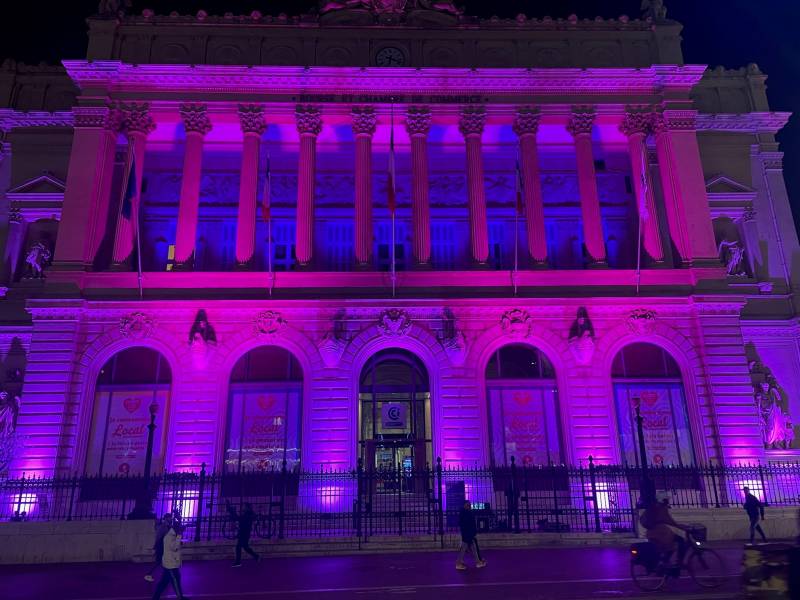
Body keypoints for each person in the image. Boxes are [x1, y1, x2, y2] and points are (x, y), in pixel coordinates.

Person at [639, 492, 689, 567]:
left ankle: (665, 562)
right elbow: (669, 520)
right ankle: (676, 562)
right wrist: (681, 527)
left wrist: (679, 526)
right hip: (659, 533)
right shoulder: (661, 508)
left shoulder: (654, 507)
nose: (668, 501)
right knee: (680, 541)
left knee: (671, 545)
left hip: (655, 532)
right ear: (663, 500)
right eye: (667, 499)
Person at [152, 518, 188, 600]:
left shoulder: (171, 535)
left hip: (170, 563)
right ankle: (180, 597)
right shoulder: (169, 536)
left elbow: (174, 545)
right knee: (175, 580)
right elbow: (174, 547)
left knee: (163, 583)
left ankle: (155, 597)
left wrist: (178, 537)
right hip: (170, 564)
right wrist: (179, 535)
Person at [456, 500, 487, 570]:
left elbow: (465, 524)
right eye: (468, 505)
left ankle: (478, 561)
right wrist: (473, 532)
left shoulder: (464, 513)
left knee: (469, 548)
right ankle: (459, 563)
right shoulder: (467, 513)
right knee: (467, 548)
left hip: (467, 533)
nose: (469, 506)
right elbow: (469, 524)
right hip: (468, 533)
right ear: (465, 506)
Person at [228, 502, 260, 567]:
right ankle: (256, 556)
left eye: (244, 506)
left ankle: (238, 562)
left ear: (247, 507)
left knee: (239, 547)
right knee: (245, 547)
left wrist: (233, 511)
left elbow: (239, 519)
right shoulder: (248, 513)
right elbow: (240, 519)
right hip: (244, 532)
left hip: (244, 532)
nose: (243, 507)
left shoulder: (248, 514)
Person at [145, 513, 173, 582]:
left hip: (161, 546)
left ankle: (167, 575)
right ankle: (149, 574)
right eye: (170, 517)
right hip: (161, 546)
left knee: (162, 561)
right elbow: (159, 536)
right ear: (166, 518)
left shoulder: (166, 525)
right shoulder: (164, 526)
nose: (171, 519)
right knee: (159, 561)